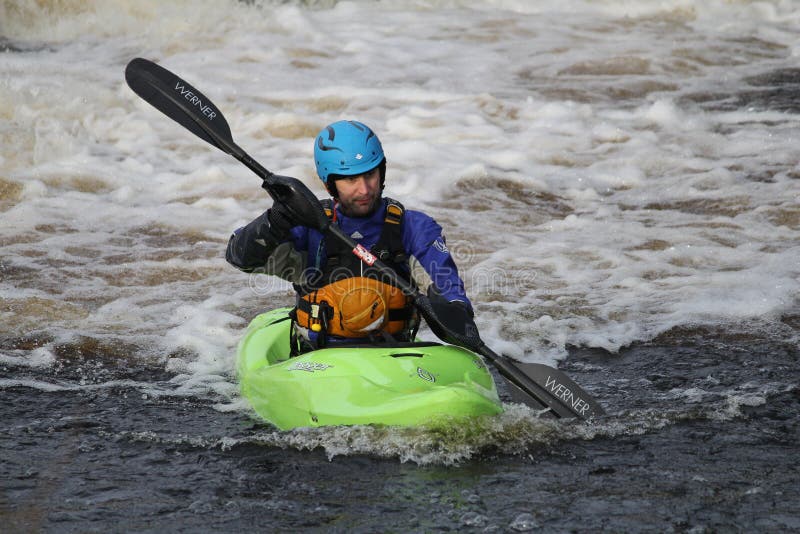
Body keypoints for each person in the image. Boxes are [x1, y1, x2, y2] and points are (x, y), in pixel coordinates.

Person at [226, 119, 475, 352]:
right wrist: (275, 220)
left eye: (370, 175)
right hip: (318, 357)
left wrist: (457, 312)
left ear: (382, 172)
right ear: (329, 184)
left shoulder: (413, 227)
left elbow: (447, 285)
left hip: (394, 353)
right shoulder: (307, 227)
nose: (364, 189)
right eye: (351, 179)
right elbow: (240, 257)